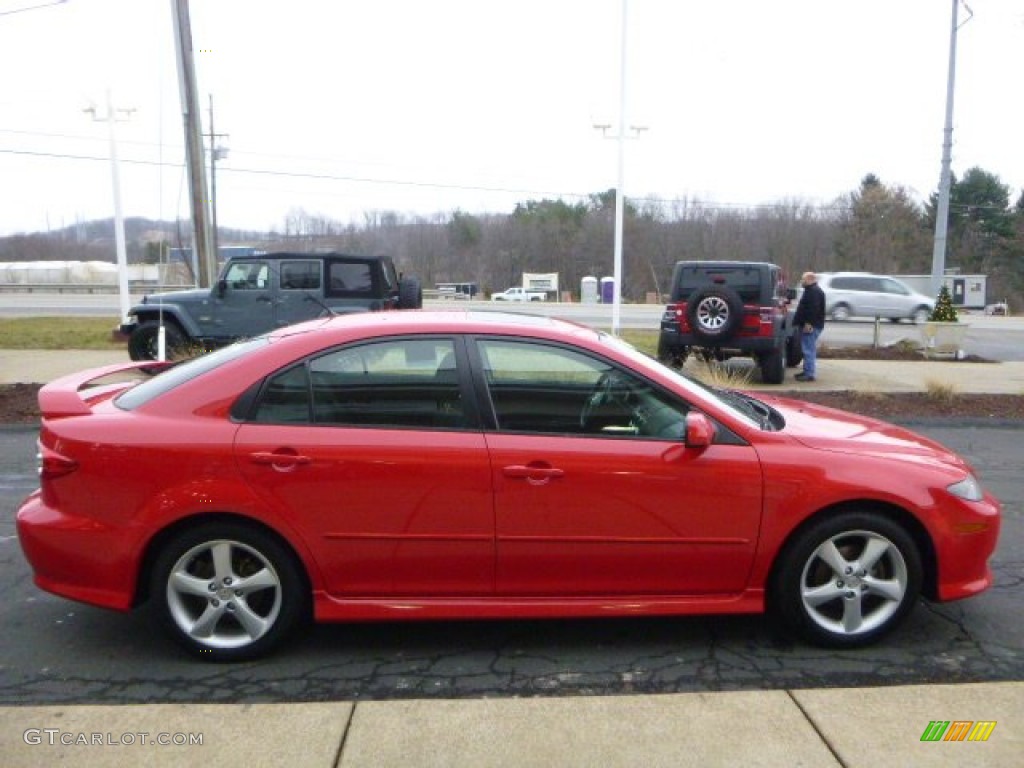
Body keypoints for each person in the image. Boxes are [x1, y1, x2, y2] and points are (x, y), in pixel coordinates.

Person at [793, 271, 825, 381]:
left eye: (804, 279)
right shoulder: (810, 290)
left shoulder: (814, 292)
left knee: (808, 349)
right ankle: (807, 371)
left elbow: (813, 309)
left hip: (812, 325)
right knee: (807, 348)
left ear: (811, 279)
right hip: (811, 324)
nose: (802, 281)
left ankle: (809, 374)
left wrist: (809, 323)